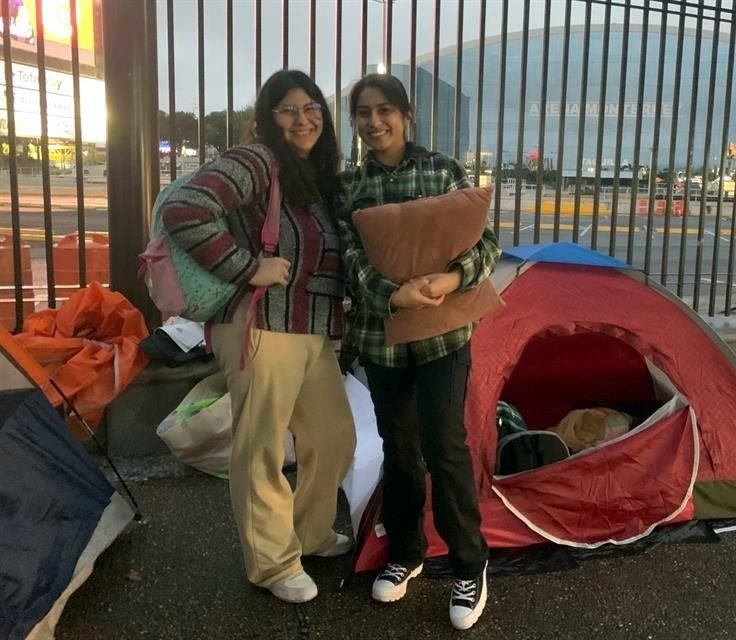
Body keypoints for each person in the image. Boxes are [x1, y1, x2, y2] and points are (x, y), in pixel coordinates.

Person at [160, 70, 356, 604]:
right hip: (260, 322)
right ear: (267, 119)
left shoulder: (314, 176)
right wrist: (248, 266)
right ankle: (272, 563)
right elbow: (185, 209)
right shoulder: (257, 160)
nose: (303, 117)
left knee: (335, 437)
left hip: (310, 329)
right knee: (262, 446)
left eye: (311, 105)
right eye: (287, 109)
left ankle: (310, 534)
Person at [339, 74, 500, 631]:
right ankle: (406, 553)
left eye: (385, 110)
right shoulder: (349, 187)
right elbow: (350, 260)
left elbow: (484, 242)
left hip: (442, 335)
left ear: (407, 115)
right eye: (363, 112)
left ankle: (468, 565)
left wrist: (455, 279)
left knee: (445, 445)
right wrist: (392, 294)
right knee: (399, 448)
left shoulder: (443, 171)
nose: (374, 122)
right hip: (382, 337)